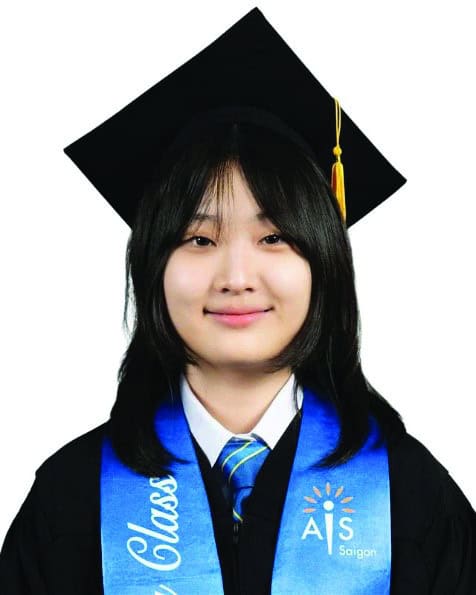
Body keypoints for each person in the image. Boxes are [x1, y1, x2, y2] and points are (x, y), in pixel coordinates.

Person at [0, 7, 474, 595]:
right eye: (200, 240)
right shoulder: (72, 500)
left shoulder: (410, 496)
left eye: (273, 237)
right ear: (152, 265)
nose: (236, 276)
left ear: (323, 260)